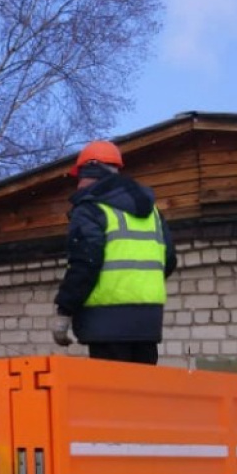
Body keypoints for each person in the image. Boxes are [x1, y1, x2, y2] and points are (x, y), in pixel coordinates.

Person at [50, 140, 177, 365]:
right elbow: (169, 261)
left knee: (111, 396)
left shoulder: (90, 209)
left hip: (105, 323)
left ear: (90, 171)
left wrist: (65, 310)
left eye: (79, 176)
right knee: (139, 395)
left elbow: (85, 263)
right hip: (147, 322)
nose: (78, 184)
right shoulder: (152, 212)